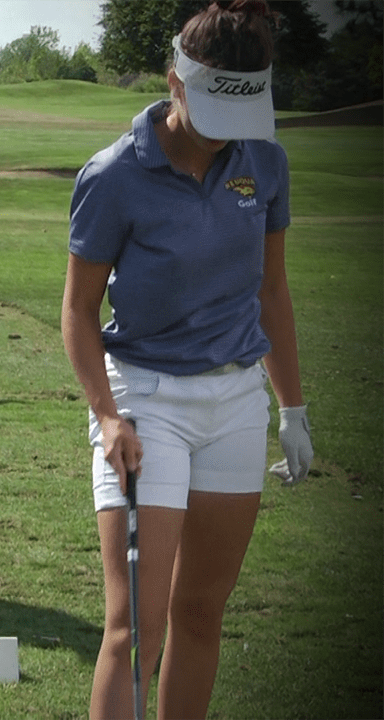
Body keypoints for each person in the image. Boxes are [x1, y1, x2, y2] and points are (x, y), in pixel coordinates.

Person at [60, 1, 313, 716]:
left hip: (235, 404)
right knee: (136, 625)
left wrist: (290, 406)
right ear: (175, 81)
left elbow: (271, 289)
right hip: (144, 400)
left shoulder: (265, 161)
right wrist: (106, 417)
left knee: (200, 613)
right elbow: (78, 312)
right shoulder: (113, 175)